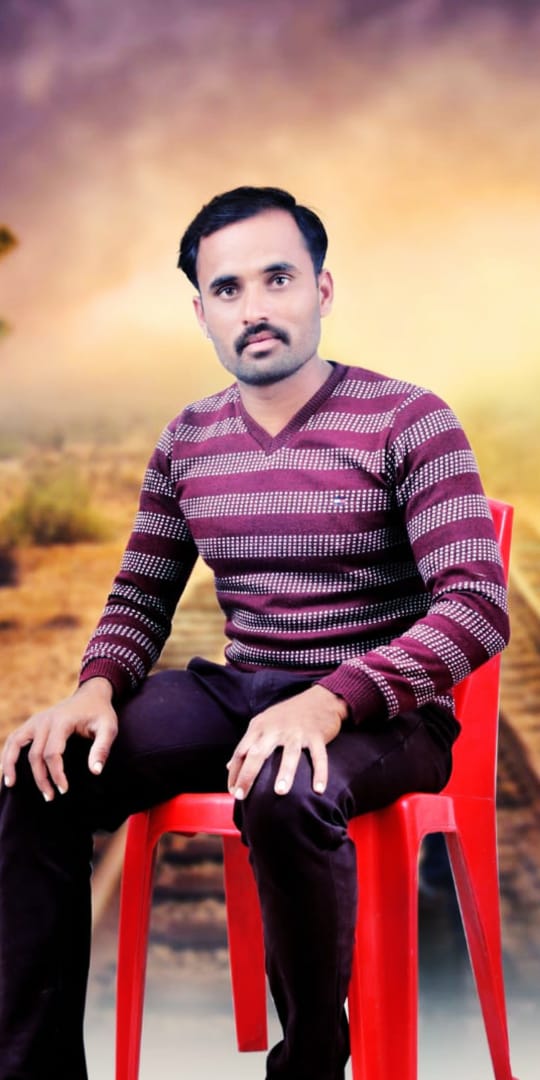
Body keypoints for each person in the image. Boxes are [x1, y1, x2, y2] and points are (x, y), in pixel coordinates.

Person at [0, 186, 509, 1080]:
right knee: (41, 771)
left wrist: (330, 701)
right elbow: (141, 594)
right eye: (227, 289)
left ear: (322, 288)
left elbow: (476, 605)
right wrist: (93, 691)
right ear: (201, 311)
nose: (255, 307)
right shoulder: (188, 439)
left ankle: (310, 1060)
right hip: (240, 692)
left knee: (285, 788)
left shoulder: (410, 420)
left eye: (278, 279)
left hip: (386, 713)